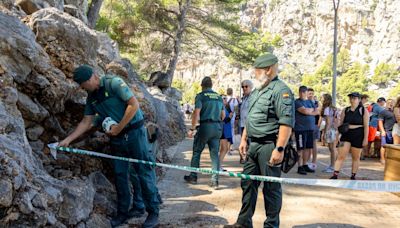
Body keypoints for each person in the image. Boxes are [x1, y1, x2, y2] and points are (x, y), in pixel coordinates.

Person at [59, 65, 160, 227]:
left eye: (83, 84)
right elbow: (87, 121)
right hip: (117, 139)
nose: (82, 88)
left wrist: (119, 127)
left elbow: (133, 105)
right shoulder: (91, 97)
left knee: (143, 171)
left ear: (92, 77)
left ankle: (153, 212)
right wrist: (68, 140)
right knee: (120, 175)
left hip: (135, 133)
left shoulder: (113, 83)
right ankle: (123, 213)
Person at [224, 53, 295, 228]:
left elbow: (286, 122)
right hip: (253, 146)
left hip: (269, 146)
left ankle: (271, 225)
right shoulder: (257, 91)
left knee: (271, 189)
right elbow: (251, 118)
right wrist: (244, 140)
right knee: (248, 183)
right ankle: (243, 223)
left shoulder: (281, 91)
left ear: (268, 69)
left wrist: (279, 149)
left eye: (256, 71)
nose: (254, 74)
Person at [184, 77, 225, 189]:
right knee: (214, 155)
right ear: (211, 85)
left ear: (202, 85)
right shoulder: (218, 97)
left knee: (197, 152)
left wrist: (192, 128)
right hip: (216, 128)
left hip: (205, 127)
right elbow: (223, 116)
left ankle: (193, 176)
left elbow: (196, 113)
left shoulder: (201, 96)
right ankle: (214, 181)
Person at [330, 92, 369, 180]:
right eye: (351, 98)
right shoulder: (346, 110)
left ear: (359, 100)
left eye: (354, 98)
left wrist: (365, 138)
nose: (352, 100)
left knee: (356, 156)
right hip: (346, 133)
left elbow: (366, 126)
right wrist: (337, 136)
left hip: (358, 134)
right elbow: (341, 124)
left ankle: (353, 175)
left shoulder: (363, 110)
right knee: (341, 155)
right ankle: (335, 174)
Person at [294, 86, 319, 175]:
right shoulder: (297, 102)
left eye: (304, 92)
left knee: (308, 148)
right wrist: (310, 111)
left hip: (310, 129)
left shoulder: (309, 102)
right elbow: (304, 111)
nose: (302, 94)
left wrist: (310, 110)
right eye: (300, 92)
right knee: (300, 148)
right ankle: (300, 166)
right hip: (300, 129)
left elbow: (317, 111)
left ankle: (305, 164)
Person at [321, 94, 338, 173]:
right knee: (333, 148)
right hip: (335, 129)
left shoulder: (327, 109)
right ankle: (334, 165)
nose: (321, 99)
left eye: (322, 98)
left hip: (330, 130)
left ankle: (332, 166)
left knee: (332, 148)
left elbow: (328, 122)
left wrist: (325, 132)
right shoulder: (334, 108)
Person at [239, 79, 253, 164]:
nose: (244, 88)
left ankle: (250, 160)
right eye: (243, 87)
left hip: (249, 125)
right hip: (242, 124)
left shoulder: (252, 98)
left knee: (250, 143)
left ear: (251, 87)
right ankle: (244, 158)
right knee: (244, 143)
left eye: (246, 86)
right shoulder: (243, 98)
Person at [378, 99, 396, 164]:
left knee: (394, 146)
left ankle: (392, 160)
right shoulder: (383, 112)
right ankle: (382, 159)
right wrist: (382, 131)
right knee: (384, 146)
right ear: (387, 103)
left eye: (392, 102)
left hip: (394, 132)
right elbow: (380, 122)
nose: (391, 104)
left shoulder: (396, 111)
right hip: (386, 131)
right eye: (389, 102)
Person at [219, 95, 233, 171]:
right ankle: (218, 166)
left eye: (226, 98)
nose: (225, 100)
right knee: (224, 149)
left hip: (226, 130)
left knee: (224, 149)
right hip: (222, 130)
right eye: (224, 98)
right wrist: (230, 117)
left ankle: (219, 165)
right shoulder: (220, 107)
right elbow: (223, 120)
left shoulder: (226, 107)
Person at [307, 88, 319, 171]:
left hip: (314, 125)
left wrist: (310, 111)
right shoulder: (305, 102)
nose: (311, 95)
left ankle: (314, 162)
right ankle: (307, 161)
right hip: (306, 126)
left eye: (312, 93)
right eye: (309, 93)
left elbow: (317, 112)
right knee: (307, 145)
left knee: (314, 144)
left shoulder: (316, 103)